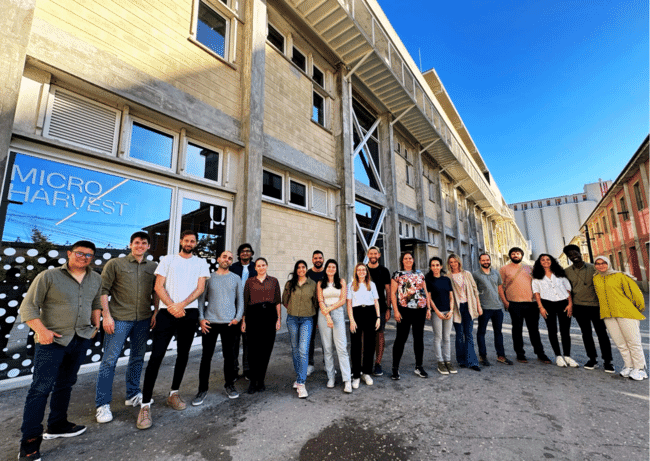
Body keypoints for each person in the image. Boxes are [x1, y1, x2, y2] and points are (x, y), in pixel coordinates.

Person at [18, 241, 102, 460]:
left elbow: (95, 303)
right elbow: (27, 307)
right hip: (51, 341)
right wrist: (42, 331)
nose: (84, 257)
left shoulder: (95, 278)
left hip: (80, 338)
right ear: (69, 254)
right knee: (40, 389)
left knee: (65, 384)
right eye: (80, 253)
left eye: (89, 255)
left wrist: (96, 326)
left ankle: (57, 425)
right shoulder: (49, 276)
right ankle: (29, 443)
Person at [136, 230, 210, 430]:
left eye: (192, 241)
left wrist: (182, 305)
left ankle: (174, 393)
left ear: (195, 244)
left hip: (189, 313)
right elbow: (158, 286)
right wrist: (172, 306)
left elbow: (200, 288)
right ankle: (145, 405)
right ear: (180, 241)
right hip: (167, 313)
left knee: (183, 355)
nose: (189, 243)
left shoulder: (201, 263)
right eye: (186, 240)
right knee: (156, 357)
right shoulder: (168, 260)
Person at [95, 232, 157, 424]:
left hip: (144, 319)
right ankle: (102, 404)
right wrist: (106, 316)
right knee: (109, 361)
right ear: (130, 245)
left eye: (144, 243)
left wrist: (155, 312)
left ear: (148, 247)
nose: (140, 246)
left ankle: (133, 394)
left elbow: (156, 291)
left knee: (137, 358)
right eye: (137, 243)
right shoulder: (115, 264)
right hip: (119, 319)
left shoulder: (153, 267)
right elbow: (103, 291)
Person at [192, 250, 244, 405]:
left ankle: (229, 385)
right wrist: (201, 318)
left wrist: (238, 318)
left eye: (230, 258)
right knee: (206, 358)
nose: (227, 260)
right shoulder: (209, 278)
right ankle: (202, 390)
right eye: (224, 257)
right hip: (210, 323)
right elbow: (201, 300)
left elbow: (240, 300)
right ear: (218, 259)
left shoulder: (236, 278)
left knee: (229, 357)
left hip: (229, 323)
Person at [593, 256, 647, 380]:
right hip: (608, 315)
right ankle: (628, 366)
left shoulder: (620, 276)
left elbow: (635, 293)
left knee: (633, 342)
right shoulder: (596, 278)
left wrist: (639, 307)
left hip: (626, 313)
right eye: (598, 263)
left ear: (609, 264)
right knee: (620, 343)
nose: (601, 265)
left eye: (603, 263)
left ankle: (640, 368)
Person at [563, 245, 613, 372]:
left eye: (575, 253)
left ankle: (608, 361)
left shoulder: (594, 268)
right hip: (579, 307)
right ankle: (592, 359)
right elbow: (567, 290)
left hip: (597, 307)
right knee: (586, 334)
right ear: (568, 257)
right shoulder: (567, 271)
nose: (573, 256)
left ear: (580, 253)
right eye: (570, 255)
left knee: (602, 334)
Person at [498, 247, 551, 364]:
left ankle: (540, 354)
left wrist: (539, 301)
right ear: (510, 256)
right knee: (517, 330)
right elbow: (500, 286)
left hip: (531, 304)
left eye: (518, 253)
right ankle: (520, 354)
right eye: (513, 254)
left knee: (534, 330)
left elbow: (538, 283)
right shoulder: (504, 269)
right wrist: (505, 302)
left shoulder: (529, 268)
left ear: (522, 255)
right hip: (514, 303)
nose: (515, 255)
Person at [241, 257, 282, 394]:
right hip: (253, 316)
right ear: (255, 268)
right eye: (258, 265)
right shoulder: (249, 282)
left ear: (267, 266)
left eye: (263, 265)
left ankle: (261, 380)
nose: (261, 267)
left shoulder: (274, 281)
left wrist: (278, 319)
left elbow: (277, 302)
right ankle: (253, 382)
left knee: (266, 350)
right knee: (253, 351)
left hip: (269, 316)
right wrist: (243, 321)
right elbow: (245, 302)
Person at [532, 254, 578, 368]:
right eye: (543, 260)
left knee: (565, 331)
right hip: (547, 304)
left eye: (548, 259)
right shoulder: (537, 277)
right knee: (552, 330)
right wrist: (541, 307)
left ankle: (567, 355)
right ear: (539, 262)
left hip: (563, 303)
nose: (546, 261)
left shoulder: (560, 274)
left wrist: (570, 304)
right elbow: (536, 293)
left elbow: (568, 290)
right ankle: (558, 356)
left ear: (552, 261)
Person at [391, 252, 430, 380]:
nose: (408, 260)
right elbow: (392, 294)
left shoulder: (420, 274)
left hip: (420, 309)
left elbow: (425, 291)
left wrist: (428, 308)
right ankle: (395, 368)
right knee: (400, 339)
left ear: (413, 260)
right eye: (405, 258)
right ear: (402, 260)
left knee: (419, 338)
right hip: (404, 310)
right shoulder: (397, 274)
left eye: (410, 258)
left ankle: (419, 366)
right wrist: (395, 311)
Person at [282, 260, 318, 398]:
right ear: (296, 269)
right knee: (295, 348)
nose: (301, 269)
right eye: (299, 267)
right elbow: (285, 300)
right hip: (292, 319)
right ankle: (299, 377)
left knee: (303, 349)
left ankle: (301, 383)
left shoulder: (313, 284)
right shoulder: (290, 284)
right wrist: (293, 309)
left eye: (303, 267)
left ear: (306, 269)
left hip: (307, 320)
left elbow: (315, 303)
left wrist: (306, 312)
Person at [316, 259, 352, 393]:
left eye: (333, 267)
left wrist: (329, 310)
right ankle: (331, 377)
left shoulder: (341, 282)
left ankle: (347, 379)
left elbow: (342, 300)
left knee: (341, 347)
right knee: (327, 348)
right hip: (323, 313)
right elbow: (320, 299)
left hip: (336, 313)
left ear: (336, 269)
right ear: (326, 269)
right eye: (329, 267)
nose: (331, 269)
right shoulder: (320, 283)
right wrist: (326, 315)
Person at [472, 253, 513, 367]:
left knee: (498, 333)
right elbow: (474, 292)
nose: (486, 262)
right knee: (481, 332)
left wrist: (504, 302)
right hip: (484, 308)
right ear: (479, 261)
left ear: (490, 260)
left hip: (497, 308)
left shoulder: (496, 273)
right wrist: (477, 306)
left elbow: (500, 288)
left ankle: (501, 356)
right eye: (483, 260)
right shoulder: (475, 275)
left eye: (487, 260)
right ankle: (483, 356)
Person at [347, 263, 381, 388]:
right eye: (359, 270)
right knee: (355, 345)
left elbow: (376, 302)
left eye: (363, 270)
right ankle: (356, 375)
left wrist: (378, 317)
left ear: (366, 272)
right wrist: (351, 320)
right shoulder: (350, 286)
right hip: (356, 313)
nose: (361, 272)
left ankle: (366, 372)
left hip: (370, 313)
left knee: (369, 344)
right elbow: (349, 304)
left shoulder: (371, 285)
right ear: (356, 272)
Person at [447, 254, 482, 372]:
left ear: (459, 262)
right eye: (451, 262)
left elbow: (475, 290)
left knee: (469, 334)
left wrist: (478, 306)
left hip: (468, 306)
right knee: (459, 334)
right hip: (457, 307)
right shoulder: (448, 276)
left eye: (455, 261)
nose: (453, 264)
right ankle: (461, 360)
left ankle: (472, 362)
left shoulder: (467, 274)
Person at [425, 257, 456, 375]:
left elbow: (451, 296)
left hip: (448, 312)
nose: (435, 267)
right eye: (433, 265)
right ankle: (440, 362)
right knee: (438, 337)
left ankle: (448, 361)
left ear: (441, 266)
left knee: (447, 337)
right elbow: (429, 298)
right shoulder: (428, 280)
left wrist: (451, 310)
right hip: (436, 313)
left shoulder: (446, 280)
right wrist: (436, 311)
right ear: (430, 267)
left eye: (437, 265)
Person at [230, 243, 256, 380]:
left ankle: (247, 370)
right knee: (233, 342)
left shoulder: (256, 267)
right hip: (234, 309)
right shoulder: (233, 268)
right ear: (239, 254)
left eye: (248, 251)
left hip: (251, 309)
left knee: (248, 343)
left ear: (251, 253)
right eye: (242, 251)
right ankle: (234, 371)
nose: (245, 253)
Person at [366, 246, 392, 376]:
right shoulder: (363, 269)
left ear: (379, 255)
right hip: (365, 308)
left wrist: (388, 308)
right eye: (371, 253)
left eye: (375, 253)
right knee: (365, 336)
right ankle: (365, 363)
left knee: (379, 335)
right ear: (367, 254)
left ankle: (377, 363)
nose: (373, 255)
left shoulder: (384, 271)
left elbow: (388, 290)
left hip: (380, 308)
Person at [306, 250, 325, 376]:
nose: (318, 260)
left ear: (323, 259)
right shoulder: (308, 273)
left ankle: (326, 364)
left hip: (325, 310)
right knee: (310, 338)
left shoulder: (327, 272)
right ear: (312, 260)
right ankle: (310, 364)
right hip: (310, 310)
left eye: (320, 258)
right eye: (315, 258)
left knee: (326, 338)